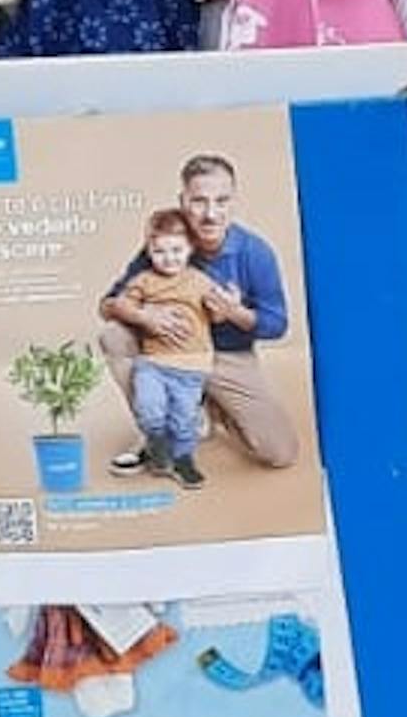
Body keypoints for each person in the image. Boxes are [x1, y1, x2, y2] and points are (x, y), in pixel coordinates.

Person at [97, 152, 300, 473]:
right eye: (199, 201)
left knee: (280, 453)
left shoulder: (254, 252)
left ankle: (208, 409)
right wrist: (146, 317)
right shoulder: (168, 244)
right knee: (114, 336)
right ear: (183, 200)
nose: (210, 214)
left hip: (226, 357)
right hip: (168, 351)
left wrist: (235, 313)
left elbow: (277, 324)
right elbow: (108, 304)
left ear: (234, 201)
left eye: (221, 201)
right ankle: (159, 430)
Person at [116, 208, 237, 487]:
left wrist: (228, 305)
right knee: (148, 408)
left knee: (184, 420)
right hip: (153, 364)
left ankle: (183, 460)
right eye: (160, 251)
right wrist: (143, 314)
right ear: (148, 250)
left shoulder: (199, 280)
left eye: (176, 250)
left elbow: (217, 316)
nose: (169, 258)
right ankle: (156, 442)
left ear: (190, 249)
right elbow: (122, 304)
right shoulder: (144, 280)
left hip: (191, 368)